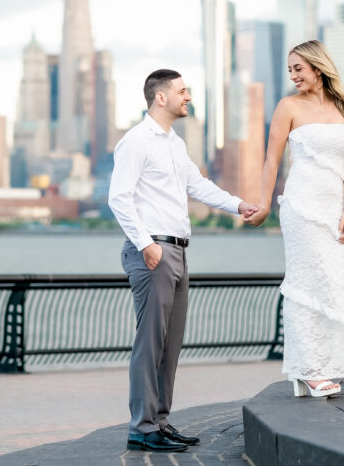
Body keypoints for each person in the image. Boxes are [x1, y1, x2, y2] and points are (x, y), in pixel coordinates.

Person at [109, 68, 260, 452]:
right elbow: (119, 198)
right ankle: (141, 427)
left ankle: (159, 421)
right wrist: (146, 244)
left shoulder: (175, 144)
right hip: (153, 252)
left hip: (177, 250)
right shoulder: (136, 141)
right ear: (161, 97)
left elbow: (199, 187)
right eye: (182, 91)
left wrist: (238, 205)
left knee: (170, 344)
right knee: (150, 343)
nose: (187, 96)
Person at [247, 40, 344, 397]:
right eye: (289, 70)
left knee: (332, 282)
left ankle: (320, 365)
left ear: (317, 67)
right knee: (305, 282)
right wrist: (265, 205)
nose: (293, 76)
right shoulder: (288, 107)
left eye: (298, 68)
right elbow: (272, 160)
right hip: (301, 205)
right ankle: (309, 369)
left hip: (333, 209)